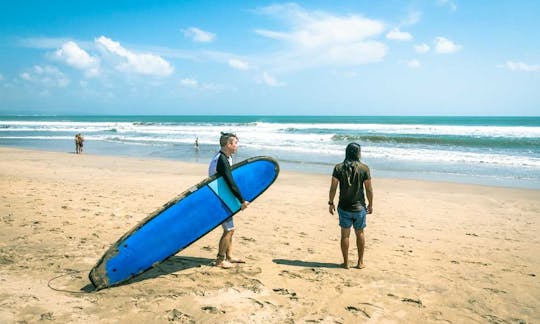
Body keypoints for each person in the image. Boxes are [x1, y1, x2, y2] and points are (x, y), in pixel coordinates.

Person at [328, 143, 373, 269]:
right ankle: (360, 262)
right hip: (359, 208)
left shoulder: (338, 168)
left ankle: (346, 263)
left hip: (344, 207)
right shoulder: (364, 168)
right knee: (360, 234)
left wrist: (331, 202)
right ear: (358, 153)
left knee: (345, 235)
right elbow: (369, 189)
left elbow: (333, 187)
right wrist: (371, 204)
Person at [208, 132, 249, 268]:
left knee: (231, 229)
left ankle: (229, 256)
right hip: (220, 198)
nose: (237, 146)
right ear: (229, 144)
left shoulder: (224, 157)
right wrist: (241, 200)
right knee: (229, 230)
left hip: (223, 196)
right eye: (235, 143)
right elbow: (230, 182)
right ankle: (220, 260)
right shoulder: (222, 160)